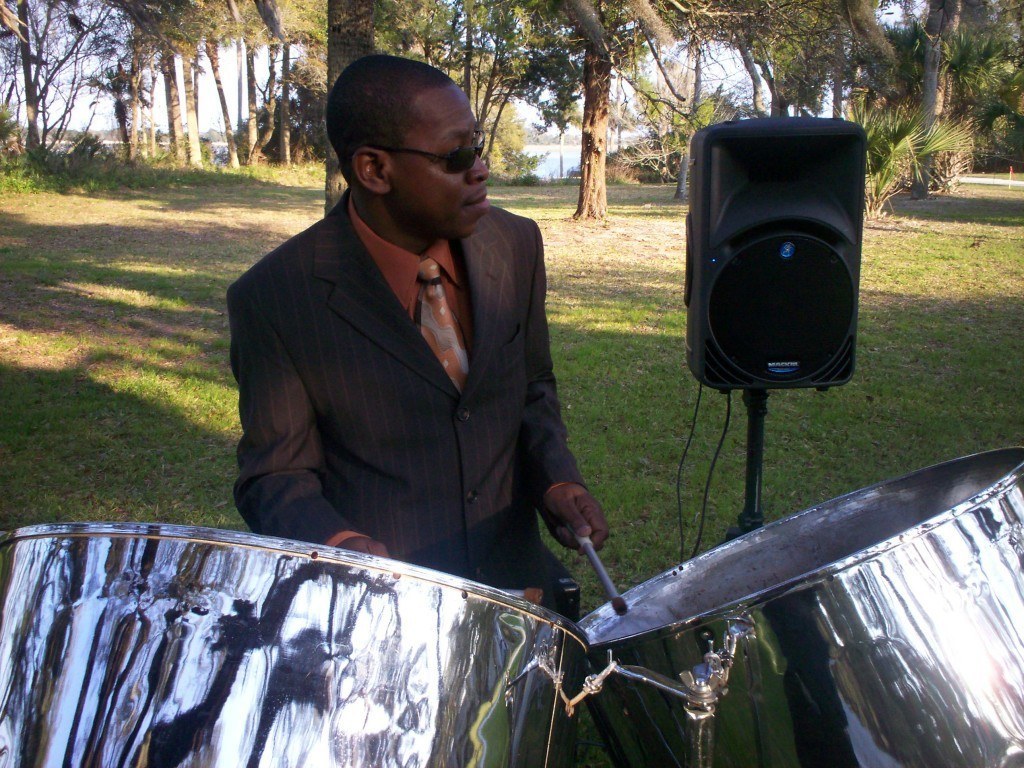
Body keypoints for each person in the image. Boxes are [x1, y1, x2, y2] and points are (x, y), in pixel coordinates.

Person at [226, 54, 608, 611]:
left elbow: (531, 387)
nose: (480, 170)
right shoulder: (277, 297)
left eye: (477, 147)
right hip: (379, 614)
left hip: (516, 594)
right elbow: (276, 476)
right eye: (455, 156)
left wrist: (555, 478)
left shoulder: (516, 245)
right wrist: (343, 548)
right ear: (374, 170)